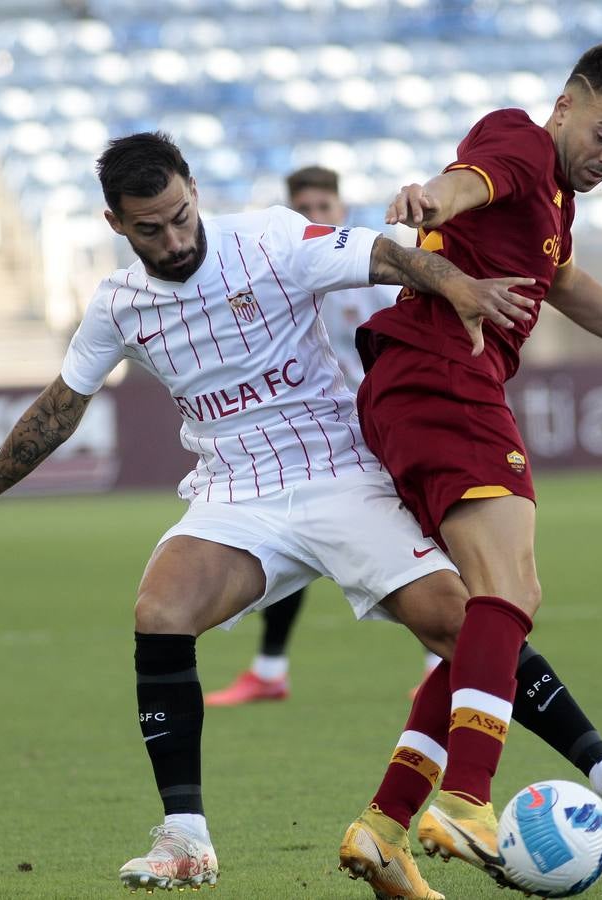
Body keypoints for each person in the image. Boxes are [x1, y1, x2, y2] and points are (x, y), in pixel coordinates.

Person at [0, 129, 542, 896]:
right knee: (159, 609)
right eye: (150, 228)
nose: (174, 238)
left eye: (181, 215)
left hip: (336, 469)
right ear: (117, 226)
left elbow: (387, 253)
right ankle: (186, 838)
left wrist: (454, 284)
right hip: (235, 491)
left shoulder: (268, 238)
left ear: (195, 191)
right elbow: (60, 407)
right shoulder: (120, 303)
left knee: (458, 620)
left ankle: (599, 768)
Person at [341, 40, 602, 893]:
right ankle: (467, 799)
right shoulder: (521, 145)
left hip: (418, 386)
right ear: (567, 105)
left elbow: (561, 281)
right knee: (508, 593)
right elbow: (466, 182)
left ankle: (382, 825)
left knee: (476, 621)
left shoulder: (552, 195)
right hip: (444, 377)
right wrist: (426, 197)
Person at [204, 165, 440, 708]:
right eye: (303, 209)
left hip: (377, 433)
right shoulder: (274, 277)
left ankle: (440, 664)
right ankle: (269, 670)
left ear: (342, 213)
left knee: (415, 541)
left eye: (323, 208)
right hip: (310, 438)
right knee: (285, 544)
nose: (314, 217)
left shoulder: (376, 275)